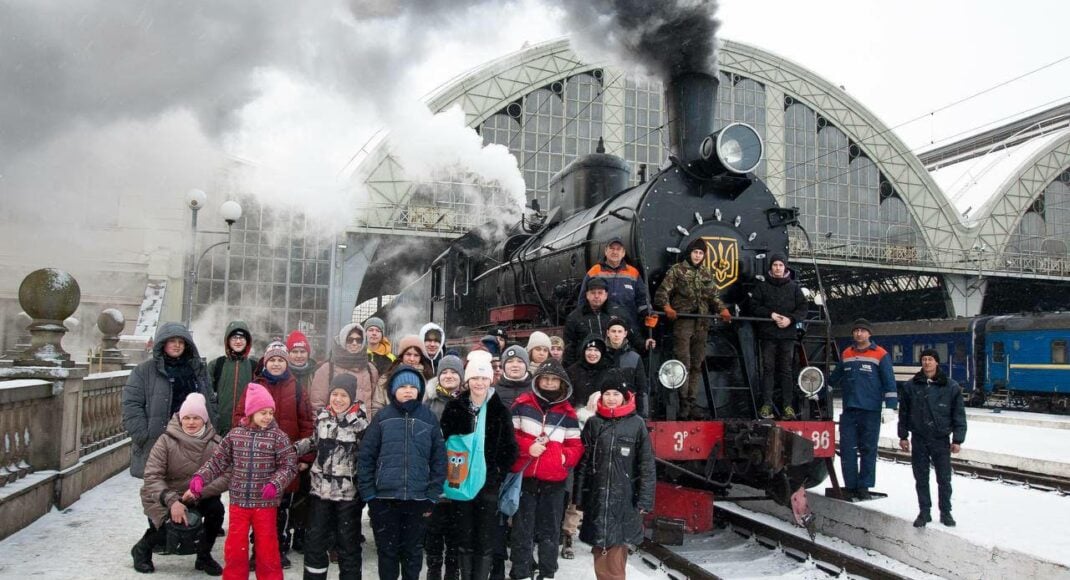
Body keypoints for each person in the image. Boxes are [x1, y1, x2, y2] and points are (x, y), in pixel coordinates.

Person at [189, 383, 298, 580]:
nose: (267, 417)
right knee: (235, 549)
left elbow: (289, 466)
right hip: (239, 503)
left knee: (267, 549)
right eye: (262, 412)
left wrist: (276, 483)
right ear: (251, 412)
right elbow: (217, 461)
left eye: (270, 412)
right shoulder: (235, 435)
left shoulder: (278, 437)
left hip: (265, 504)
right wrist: (200, 477)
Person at [358, 365, 447, 580]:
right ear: (393, 390)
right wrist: (370, 494)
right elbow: (366, 457)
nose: (408, 390)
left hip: (418, 499)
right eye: (403, 386)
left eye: (412, 386)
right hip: (384, 499)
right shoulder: (382, 417)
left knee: (413, 552)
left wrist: (433, 494)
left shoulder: (428, 418)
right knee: (387, 553)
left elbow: (439, 459)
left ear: (419, 390)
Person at [237, 341, 315, 569]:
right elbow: (240, 417)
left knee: (281, 507)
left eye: (281, 359)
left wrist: (304, 458)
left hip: (286, 461)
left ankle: (277, 547)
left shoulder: (297, 388)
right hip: (257, 459)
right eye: (273, 359)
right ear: (265, 362)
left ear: (286, 362)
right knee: (258, 507)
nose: (277, 363)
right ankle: (257, 549)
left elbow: (307, 424)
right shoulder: (253, 387)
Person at [440, 358, 519, 580]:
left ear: (491, 379)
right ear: (467, 380)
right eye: (475, 377)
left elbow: (510, 448)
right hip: (461, 480)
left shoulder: (499, 410)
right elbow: (443, 442)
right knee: (463, 537)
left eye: (484, 378)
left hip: (488, 485)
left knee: (485, 539)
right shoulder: (454, 408)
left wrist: (496, 474)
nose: (479, 383)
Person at [133, 393, 228, 575]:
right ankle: (141, 550)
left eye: (196, 418)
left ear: (204, 420)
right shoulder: (165, 441)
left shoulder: (216, 443)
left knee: (216, 511)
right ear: (180, 419)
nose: (191, 422)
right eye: (187, 418)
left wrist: (199, 491)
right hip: (165, 494)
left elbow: (227, 475)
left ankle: (204, 556)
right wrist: (172, 501)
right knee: (169, 528)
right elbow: (152, 476)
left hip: (199, 494)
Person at [576, 370, 656, 580]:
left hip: (624, 499)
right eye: (607, 394)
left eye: (616, 394)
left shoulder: (637, 424)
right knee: (599, 549)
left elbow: (646, 465)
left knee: (614, 554)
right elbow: (583, 463)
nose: (611, 398)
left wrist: (644, 500)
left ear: (625, 396)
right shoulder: (594, 424)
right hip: (598, 498)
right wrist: (579, 498)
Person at [509, 359, 584, 580]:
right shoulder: (521, 404)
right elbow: (511, 435)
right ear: (538, 380)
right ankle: (521, 571)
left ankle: (547, 571)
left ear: (561, 384)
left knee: (550, 530)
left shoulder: (568, 414)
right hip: (526, 476)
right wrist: (526, 447)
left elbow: (576, 446)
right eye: (546, 378)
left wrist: (562, 458)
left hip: (554, 481)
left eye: (554, 380)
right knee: (523, 529)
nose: (549, 383)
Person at [293, 374, 370, 580]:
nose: (338, 399)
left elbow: (367, 456)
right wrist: (294, 449)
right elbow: (314, 441)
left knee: (348, 544)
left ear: (351, 398)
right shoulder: (322, 417)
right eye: (334, 394)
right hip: (320, 493)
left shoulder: (361, 424)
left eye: (343, 395)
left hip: (347, 495)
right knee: (315, 542)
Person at [124, 322, 216, 479]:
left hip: (194, 442)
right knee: (158, 493)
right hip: (158, 443)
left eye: (181, 342)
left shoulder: (197, 370)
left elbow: (210, 402)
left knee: (192, 493)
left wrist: (213, 428)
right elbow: (131, 405)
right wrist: (142, 435)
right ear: (163, 343)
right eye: (172, 341)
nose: (177, 345)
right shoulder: (144, 371)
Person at [652, 238, 731, 420]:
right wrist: (667, 308)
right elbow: (662, 292)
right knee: (684, 362)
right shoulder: (677, 270)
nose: (698, 255)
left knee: (697, 364)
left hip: (702, 322)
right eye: (695, 252)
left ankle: (691, 402)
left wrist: (722, 309)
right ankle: (681, 403)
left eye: (701, 253)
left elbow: (713, 296)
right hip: (684, 321)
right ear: (690, 253)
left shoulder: (706, 273)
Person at [829, 319, 897, 501]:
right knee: (847, 449)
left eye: (862, 331)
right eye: (856, 330)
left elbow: (889, 382)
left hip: (871, 411)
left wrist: (890, 407)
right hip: (850, 411)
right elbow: (834, 379)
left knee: (868, 449)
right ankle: (850, 486)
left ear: (869, 333)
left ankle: (864, 486)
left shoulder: (881, 355)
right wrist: (816, 390)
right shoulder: (846, 354)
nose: (859, 333)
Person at [898, 349, 967, 528]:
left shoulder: (951, 387)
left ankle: (946, 512)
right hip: (919, 438)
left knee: (944, 478)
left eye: (930, 359)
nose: (927, 362)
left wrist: (958, 439)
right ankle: (924, 512)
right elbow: (904, 413)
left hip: (940, 438)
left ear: (937, 362)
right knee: (921, 477)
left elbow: (958, 415)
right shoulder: (910, 386)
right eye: (924, 359)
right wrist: (903, 436)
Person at [561, 335, 611, 560]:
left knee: (594, 483)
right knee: (572, 483)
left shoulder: (609, 373)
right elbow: (565, 400)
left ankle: (586, 528)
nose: (592, 354)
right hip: (574, 431)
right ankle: (567, 532)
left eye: (596, 350)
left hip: (600, 433)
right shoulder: (572, 371)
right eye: (589, 350)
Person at [745, 253, 809, 420]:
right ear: (771, 268)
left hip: (787, 335)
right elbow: (753, 305)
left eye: (781, 265)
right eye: (775, 265)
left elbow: (803, 308)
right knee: (768, 369)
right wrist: (771, 315)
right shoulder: (763, 287)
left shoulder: (794, 287)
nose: (778, 268)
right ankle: (766, 404)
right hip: (768, 334)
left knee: (787, 370)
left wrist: (790, 319)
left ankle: (787, 405)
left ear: (785, 267)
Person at [423, 354, 465, 580]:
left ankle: (452, 569)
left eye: (453, 372)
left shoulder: (467, 401)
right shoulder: (429, 401)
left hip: (460, 470)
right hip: (435, 470)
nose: (449, 376)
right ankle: (433, 568)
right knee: (434, 526)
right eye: (445, 372)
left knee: (456, 527)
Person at [575, 236, 653, 333]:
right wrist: (582, 320)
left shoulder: (633, 272)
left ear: (623, 253)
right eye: (611, 249)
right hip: (601, 324)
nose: (615, 252)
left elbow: (642, 297)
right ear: (606, 251)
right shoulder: (594, 271)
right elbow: (583, 298)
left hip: (629, 324)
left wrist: (648, 313)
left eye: (618, 249)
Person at [285, 329, 318, 552]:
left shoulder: (316, 374)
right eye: (294, 351)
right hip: (287, 439)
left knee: (306, 491)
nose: (298, 355)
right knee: (286, 493)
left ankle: (302, 533)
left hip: (312, 437)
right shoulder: (281, 374)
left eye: (302, 351)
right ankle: (284, 533)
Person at [563, 277, 638, 368]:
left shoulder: (619, 313)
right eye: (593, 293)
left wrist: (644, 343)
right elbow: (569, 347)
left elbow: (633, 336)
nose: (597, 296)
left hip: (615, 364)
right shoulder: (575, 317)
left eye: (600, 293)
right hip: (586, 366)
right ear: (587, 295)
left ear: (606, 295)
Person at [310, 322, 379, 414]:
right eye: (350, 339)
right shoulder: (326, 369)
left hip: (366, 426)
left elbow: (375, 405)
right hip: (334, 427)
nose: (354, 343)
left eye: (359, 340)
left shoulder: (371, 369)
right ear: (342, 340)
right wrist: (323, 426)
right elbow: (317, 406)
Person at [208, 321, 259, 435]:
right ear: (228, 341)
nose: (238, 341)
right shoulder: (216, 365)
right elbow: (207, 397)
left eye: (242, 338)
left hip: (246, 430)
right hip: (219, 429)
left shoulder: (254, 367)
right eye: (234, 337)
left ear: (247, 342)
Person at [371, 335, 434, 418]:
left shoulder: (428, 378)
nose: (412, 359)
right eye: (408, 354)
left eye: (416, 355)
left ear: (421, 357)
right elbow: (376, 407)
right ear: (402, 356)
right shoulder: (387, 377)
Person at [603, 317, 649, 418]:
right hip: (604, 411)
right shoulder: (600, 356)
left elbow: (642, 389)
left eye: (620, 331)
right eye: (613, 331)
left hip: (628, 412)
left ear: (625, 333)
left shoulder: (635, 358)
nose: (616, 334)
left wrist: (643, 415)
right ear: (608, 333)